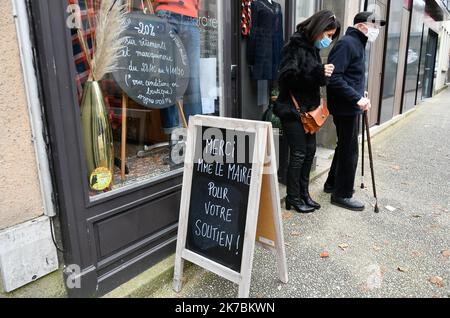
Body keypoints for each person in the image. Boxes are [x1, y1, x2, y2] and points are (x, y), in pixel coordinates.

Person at [274, 10, 341, 214]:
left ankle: (304, 193)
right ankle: (293, 198)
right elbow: (287, 78)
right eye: (328, 35)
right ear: (318, 29)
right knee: (299, 154)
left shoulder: (311, 48)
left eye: (331, 36)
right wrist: (317, 72)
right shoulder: (295, 45)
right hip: (293, 112)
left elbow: (312, 79)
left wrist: (322, 74)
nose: (328, 40)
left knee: (310, 152)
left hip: (308, 113)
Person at [324, 12, 386, 211]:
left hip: (349, 105)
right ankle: (342, 194)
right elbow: (334, 78)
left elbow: (350, 75)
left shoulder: (358, 43)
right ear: (361, 26)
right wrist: (357, 97)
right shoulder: (347, 43)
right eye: (373, 25)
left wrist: (360, 91)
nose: (376, 30)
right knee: (350, 150)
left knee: (344, 146)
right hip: (346, 107)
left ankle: (332, 184)